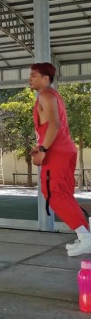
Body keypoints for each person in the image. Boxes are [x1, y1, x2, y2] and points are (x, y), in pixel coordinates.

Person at [29, 62, 91, 256]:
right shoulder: (53, 96)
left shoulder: (46, 95)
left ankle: (86, 237)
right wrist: (40, 146)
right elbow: (52, 126)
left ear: (45, 79)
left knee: (54, 193)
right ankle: (85, 234)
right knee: (62, 193)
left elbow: (54, 125)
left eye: (34, 75)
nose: (29, 79)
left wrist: (44, 150)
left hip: (56, 152)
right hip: (64, 151)